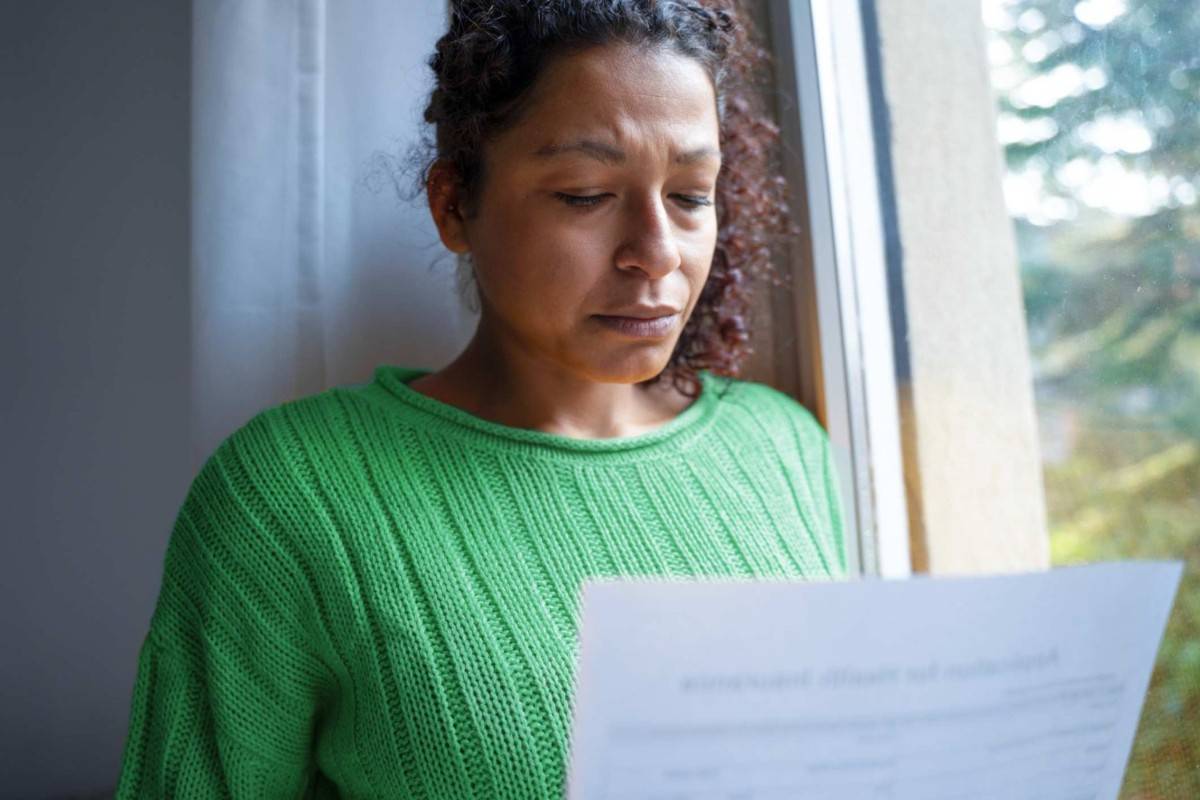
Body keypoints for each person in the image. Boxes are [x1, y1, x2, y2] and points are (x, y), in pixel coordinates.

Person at [113, 1, 848, 797]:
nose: (657, 253)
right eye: (584, 194)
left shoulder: (782, 447)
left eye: (691, 195)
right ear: (454, 204)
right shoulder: (288, 497)